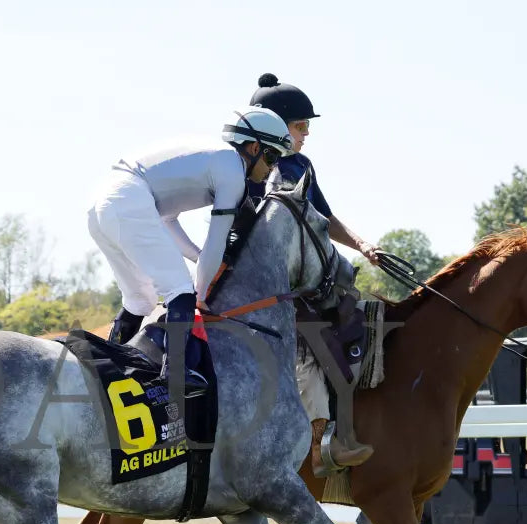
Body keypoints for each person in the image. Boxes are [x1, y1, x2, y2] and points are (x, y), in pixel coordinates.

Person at [88, 106, 294, 391]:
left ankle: (106, 369)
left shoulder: (214, 158)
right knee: (181, 291)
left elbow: (168, 220)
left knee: (141, 299)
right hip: (127, 198)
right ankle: (175, 372)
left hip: (102, 202)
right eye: (271, 156)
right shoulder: (233, 169)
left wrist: (198, 259)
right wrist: (201, 291)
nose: (272, 167)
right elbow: (216, 241)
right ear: (254, 147)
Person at [247, 72, 376, 474]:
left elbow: (324, 218)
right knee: (304, 347)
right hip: (266, 291)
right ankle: (320, 447)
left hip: (309, 280)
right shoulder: (245, 167)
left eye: (306, 126)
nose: (306, 134)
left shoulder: (301, 165)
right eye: (300, 126)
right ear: (275, 126)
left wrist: (362, 245)